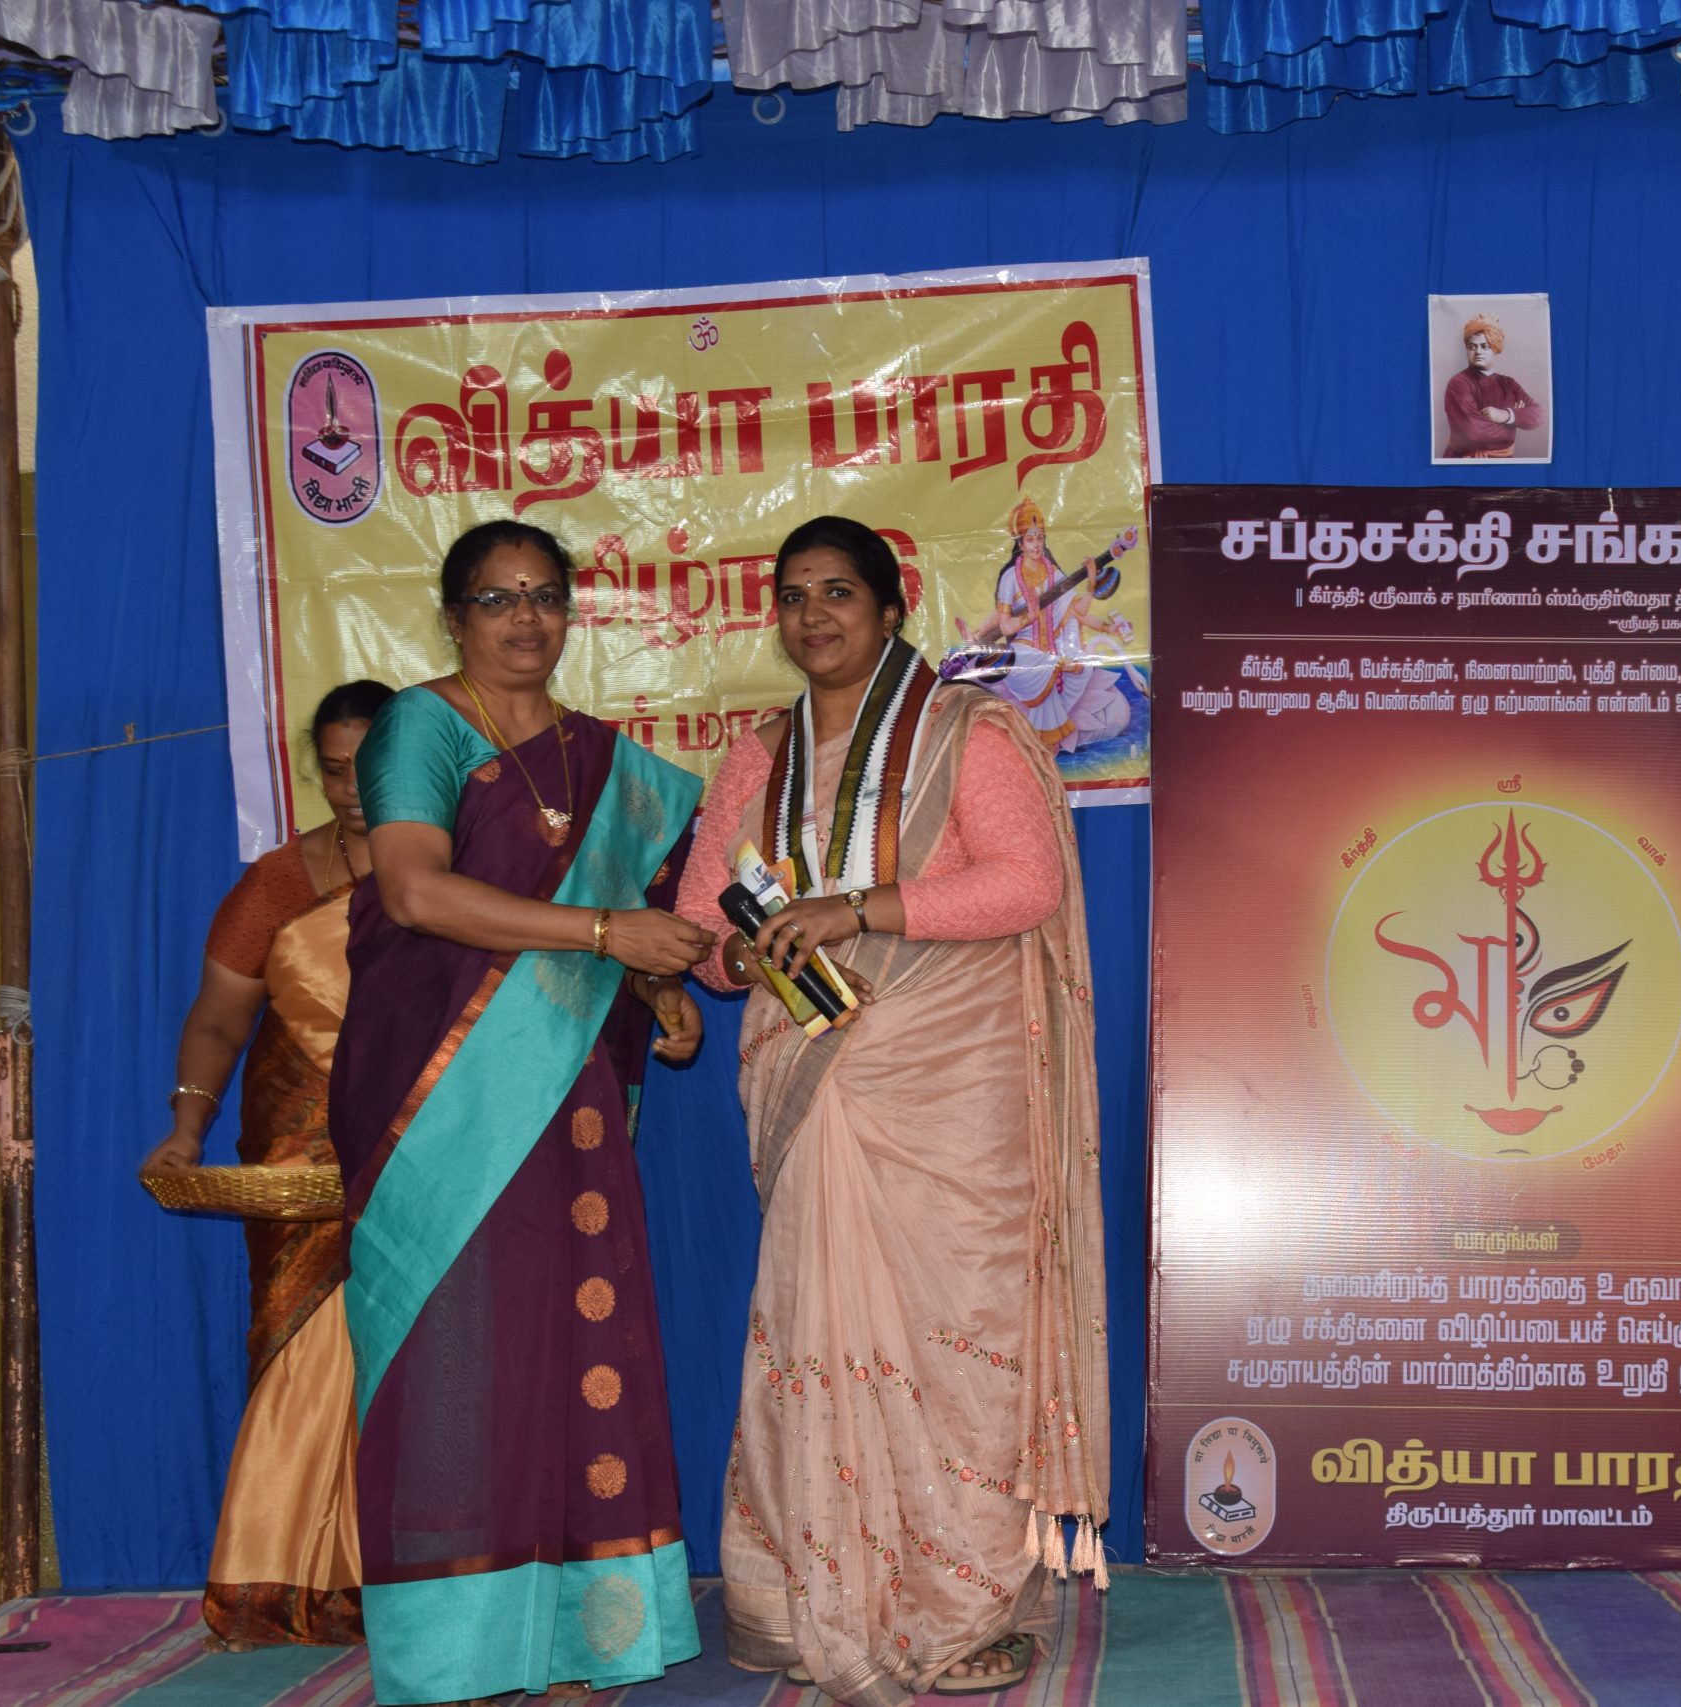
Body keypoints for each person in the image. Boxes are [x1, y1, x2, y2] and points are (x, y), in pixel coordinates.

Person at [674, 515, 1110, 1705]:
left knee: (959, 1335)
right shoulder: (758, 758)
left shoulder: (968, 732)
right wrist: (734, 955)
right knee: (815, 1326)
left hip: (954, 1082)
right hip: (816, 1076)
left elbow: (1026, 883)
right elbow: (708, 926)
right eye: (792, 595)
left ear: (888, 607)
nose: (812, 615)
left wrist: (856, 909)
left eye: (837, 592)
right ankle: (806, 1597)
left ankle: (959, 1611)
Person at [327, 519, 717, 1707]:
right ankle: (459, 1653)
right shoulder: (421, 729)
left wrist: (656, 990)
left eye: (545, 595)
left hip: (567, 1094)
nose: (525, 618)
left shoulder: (604, 761)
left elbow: (624, 926)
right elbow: (413, 891)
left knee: (574, 1338)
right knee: (455, 1352)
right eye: (497, 598)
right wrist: (608, 934)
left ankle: (576, 1643)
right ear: (453, 618)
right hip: (436, 1098)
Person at [143, 678, 395, 1652]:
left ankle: (419, 1573)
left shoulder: (463, 874)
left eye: (372, 768)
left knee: (425, 1359)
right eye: (333, 770)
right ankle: (286, 1577)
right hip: (298, 1158)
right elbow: (217, 1022)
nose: (353, 789)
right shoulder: (279, 885)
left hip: (432, 1154)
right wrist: (186, 1130)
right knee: (302, 1358)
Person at [953, 496, 1139, 756]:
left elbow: (1078, 612)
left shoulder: (1053, 573)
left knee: (1079, 666)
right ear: (1020, 544)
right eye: (1030, 539)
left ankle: (1045, 735)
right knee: (1040, 662)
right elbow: (1005, 626)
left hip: (1052, 650)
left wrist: (1094, 590)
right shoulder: (1011, 577)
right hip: (1024, 653)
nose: (1036, 544)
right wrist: (1027, 618)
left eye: (1040, 538)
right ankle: (1046, 738)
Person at [1440, 313, 1544, 458]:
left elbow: (1539, 415)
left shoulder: (1509, 384)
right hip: (1464, 460)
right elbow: (1473, 432)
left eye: (1485, 346)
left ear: (1495, 348)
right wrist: (1514, 424)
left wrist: (1505, 415)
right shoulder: (1459, 383)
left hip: (1503, 462)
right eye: (1472, 347)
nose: (1478, 352)